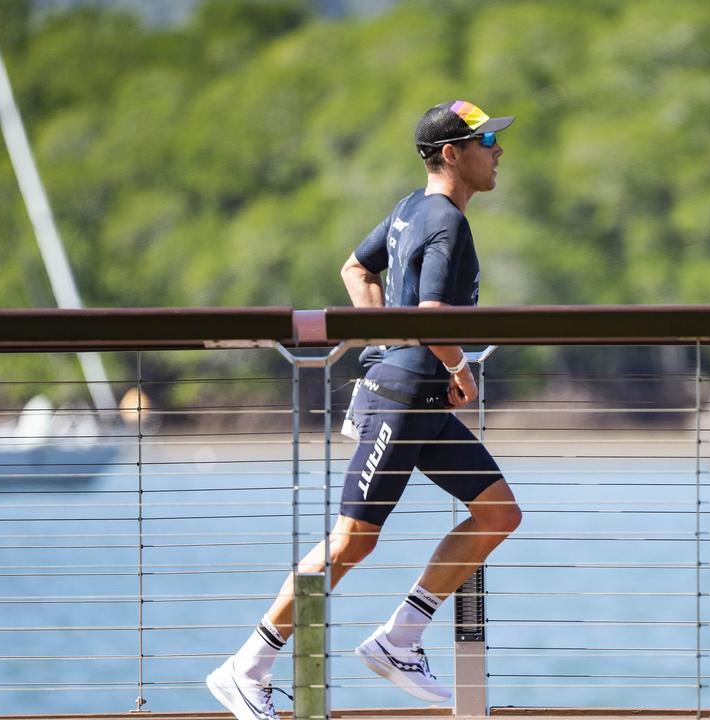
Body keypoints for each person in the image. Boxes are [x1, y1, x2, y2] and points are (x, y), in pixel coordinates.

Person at [206, 100, 522, 718]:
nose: (498, 150)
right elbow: (429, 315)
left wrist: (386, 340)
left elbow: (356, 267)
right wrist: (457, 366)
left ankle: (399, 640)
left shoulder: (411, 208)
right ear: (452, 154)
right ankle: (247, 666)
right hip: (403, 400)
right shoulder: (444, 220)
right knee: (352, 541)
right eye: (486, 140)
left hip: (421, 397)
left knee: (498, 513)